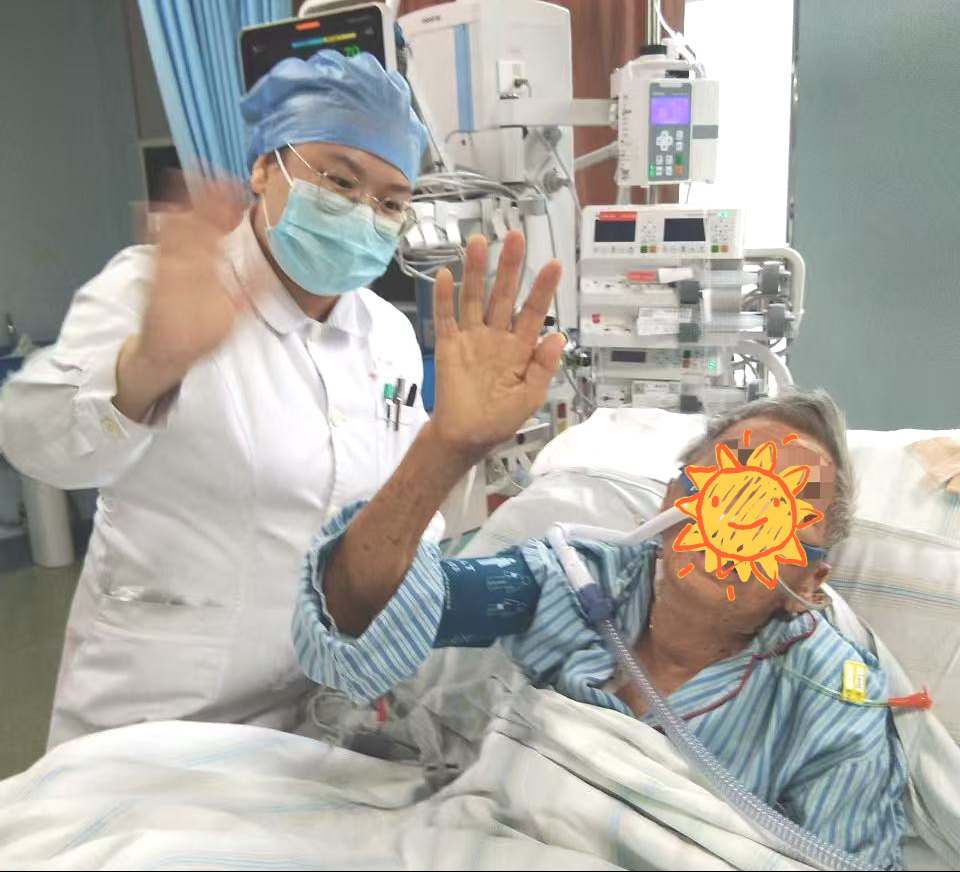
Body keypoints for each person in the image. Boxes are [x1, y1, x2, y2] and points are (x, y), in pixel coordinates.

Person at [0, 50, 561, 748]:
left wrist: (453, 447)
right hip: (158, 711)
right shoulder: (156, 289)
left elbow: (391, 516)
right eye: (339, 179)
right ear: (266, 168)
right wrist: (152, 363)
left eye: (390, 201)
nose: (363, 211)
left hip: (324, 707)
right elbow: (34, 442)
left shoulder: (386, 333)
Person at [290, 250, 907, 870]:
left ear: (812, 582)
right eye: (725, 481)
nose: (737, 521)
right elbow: (362, 610)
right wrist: (446, 447)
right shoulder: (576, 583)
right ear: (671, 500)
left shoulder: (830, 703)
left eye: (782, 513)